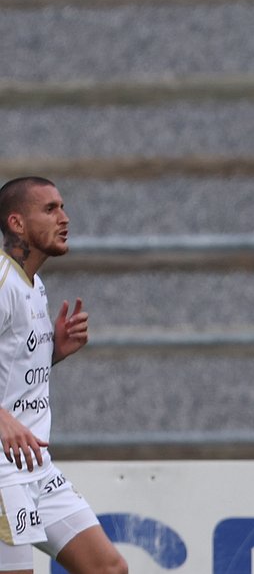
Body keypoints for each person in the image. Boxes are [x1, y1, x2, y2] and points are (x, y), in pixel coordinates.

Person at [0, 176, 128, 574]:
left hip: (36, 467)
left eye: (63, 207)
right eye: (50, 209)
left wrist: (50, 352)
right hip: (3, 472)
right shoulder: (1, 282)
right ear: (17, 223)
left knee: (109, 569)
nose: (65, 218)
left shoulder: (34, 285)